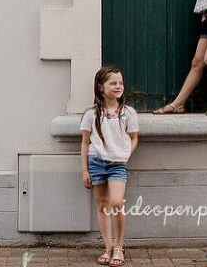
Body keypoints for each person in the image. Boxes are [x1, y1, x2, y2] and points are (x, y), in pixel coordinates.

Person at [80, 66, 139, 267]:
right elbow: (85, 143)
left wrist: (124, 156)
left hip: (117, 165)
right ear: (100, 86)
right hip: (96, 163)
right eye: (113, 83)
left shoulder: (128, 112)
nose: (118, 86)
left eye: (120, 83)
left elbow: (134, 138)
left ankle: (120, 246)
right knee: (103, 206)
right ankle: (108, 247)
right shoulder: (92, 114)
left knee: (116, 202)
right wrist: (85, 170)